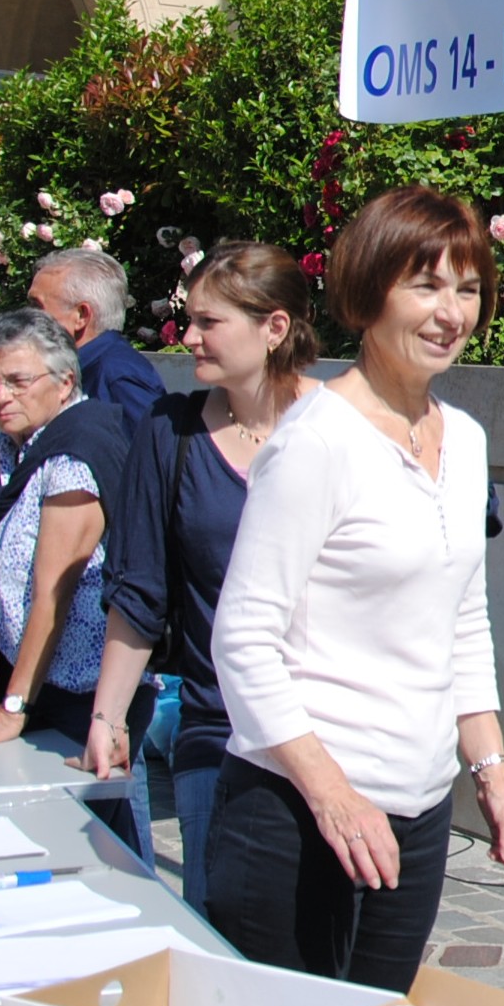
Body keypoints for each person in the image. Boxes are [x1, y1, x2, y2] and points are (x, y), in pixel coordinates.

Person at [209, 189, 504, 989]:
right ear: (369, 293)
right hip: (297, 814)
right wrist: (334, 797)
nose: (451, 312)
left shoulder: (466, 440)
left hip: (417, 816)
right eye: (425, 286)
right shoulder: (317, 441)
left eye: (468, 289)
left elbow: (462, 621)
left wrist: (493, 778)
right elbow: (242, 638)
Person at [87, 243, 322, 913]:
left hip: (335, 731)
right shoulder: (172, 431)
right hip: (216, 729)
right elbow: (139, 591)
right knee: (217, 929)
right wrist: (108, 717)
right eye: (188, 319)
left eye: (208, 322)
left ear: (274, 327)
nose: (187, 337)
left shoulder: (342, 428)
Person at [0, 308, 143, 851]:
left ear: (65, 382)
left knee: (83, 847)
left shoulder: (76, 450)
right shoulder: (11, 446)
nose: (1, 397)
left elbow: (52, 592)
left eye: (18, 381)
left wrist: (11, 710)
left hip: (78, 694)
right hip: (28, 682)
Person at [29, 249, 166, 428]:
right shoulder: (79, 369)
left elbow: (154, 443)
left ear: (81, 315)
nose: (26, 319)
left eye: (36, 307)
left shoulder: (118, 375)